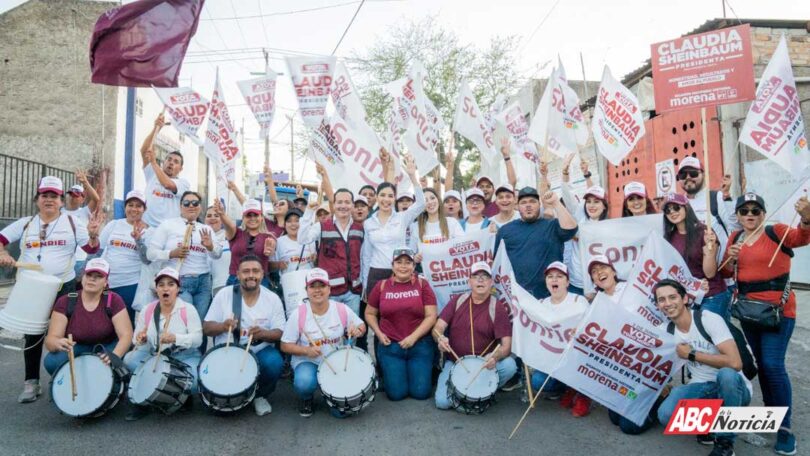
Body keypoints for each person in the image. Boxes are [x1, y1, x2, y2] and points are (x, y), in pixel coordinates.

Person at [720, 192, 810, 455]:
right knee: (763, 366)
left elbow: (803, 236)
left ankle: (785, 428)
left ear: (763, 213)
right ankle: (774, 412)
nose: (750, 214)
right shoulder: (735, 238)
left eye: (755, 210)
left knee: (773, 364)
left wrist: (806, 214)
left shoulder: (776, 232)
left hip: (778, 313)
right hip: (749, 312)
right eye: (744, 211)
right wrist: (731, 258)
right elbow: (726, 271)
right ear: (737, 215)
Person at [0, 176, 102, 403]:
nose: (49, 200)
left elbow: (91, 248)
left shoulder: (72, 223)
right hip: (32, 288)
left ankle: (65, 379)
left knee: (68, 335)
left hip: (62, 287)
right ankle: (31, 383)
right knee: (33, 335)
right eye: (45, 195)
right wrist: (3, 253)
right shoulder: (26, 223)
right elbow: (1, 239)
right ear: (37, 199)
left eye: (54, 196)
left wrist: (94, 234)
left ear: (61, 201)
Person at [654, 279, 751, 456]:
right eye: (661, 300)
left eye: (672, 297)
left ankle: (725, 444)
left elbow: (735, 363)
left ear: (684, 299)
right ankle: (711, 424)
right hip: (703, 387)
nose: (667, 303)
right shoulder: (665, 330)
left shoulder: (708, 319)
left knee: (726, 375)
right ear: (658, 305)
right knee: (666, 415)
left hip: (734, 388)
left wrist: (692, 355)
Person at [203, 255, 286, 416]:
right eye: (246, 271)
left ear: (262, 274)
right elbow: (206, 328)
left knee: (274, 361)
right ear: (238, 274)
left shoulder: (272, 298)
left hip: (259, 350)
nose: (251, 275)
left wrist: (264, 334)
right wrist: (222, 326)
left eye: (255, 271)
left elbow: (280, 332)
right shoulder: (224, 295)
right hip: (228, 351)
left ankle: (260, 396)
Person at [280, 268, 365, 417]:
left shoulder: (341, 309)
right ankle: (307, 398)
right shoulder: (298, 314)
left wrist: (358, 330)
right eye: (313, 286)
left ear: (329, 289)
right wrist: (306, 351)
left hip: (336, 363)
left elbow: (361, 325)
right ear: (306, 290)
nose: (317, 290)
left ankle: (330, 394)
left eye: (322, 286)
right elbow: (285, 345)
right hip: (309, 362)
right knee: (304, 382)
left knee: (342, 414)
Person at [432, 262, 516, 410]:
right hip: (456, 363)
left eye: (485, 277)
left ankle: (482, 392)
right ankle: (473, 397)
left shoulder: (497, 307)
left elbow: (506, 346)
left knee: (510, 366)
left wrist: (495, 357)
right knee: (442, 402)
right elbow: (437, 328)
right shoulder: (458, 300)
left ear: (491, 282)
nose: (480, 280)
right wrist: (440, 338)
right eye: (476, 276)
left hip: (483, 364)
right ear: (469, 281)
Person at [124, 267, 203, 421]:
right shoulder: (147, 310)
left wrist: (176, 338)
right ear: (156, 289)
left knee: (193, 381)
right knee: (129, 360)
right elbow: (136, 339)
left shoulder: (188, 309)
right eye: (161, 285)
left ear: (178, 289)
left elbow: (198, 339)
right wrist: (141, 339)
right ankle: (142, 399)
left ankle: (182, 395)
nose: (166, 288)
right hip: (156, 354)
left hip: (184, 355)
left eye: (171, 284)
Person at [147, 191, 223, 349]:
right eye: (186, 203)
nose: (191, 206)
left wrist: (209, 246)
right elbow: (151, 253)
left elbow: (217, 254)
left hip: (203, 282)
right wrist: (171, 253)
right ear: (180, 206)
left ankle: (197, 362)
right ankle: (180, 359)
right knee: (184, 322)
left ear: (200, 207)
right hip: (180, 281)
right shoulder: (168, 225)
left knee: (199, 326)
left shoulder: (205, 229)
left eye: (195, 203)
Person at [366, 247, 438, 401]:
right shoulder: (381, 286)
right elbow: (369, 313)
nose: (403, 266)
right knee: (396, 394)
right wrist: (379, 333)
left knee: (421, 393)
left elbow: (431, 315)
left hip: (419, 345)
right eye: (399, 262)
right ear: (392, 265)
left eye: (408, 262)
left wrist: (413, 337)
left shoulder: (422, 284)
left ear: (414, 266)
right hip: (391, 347)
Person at [43, 258, 133, 375]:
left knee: (120, 358)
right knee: (52, 361)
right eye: (89, 274)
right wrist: (57, 343)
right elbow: (51, 339)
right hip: (77, 346)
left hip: (107, 345)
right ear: (82, 277)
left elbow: (126, 334)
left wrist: (115, 355)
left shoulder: (113, 299)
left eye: (99, 276)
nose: (92, 279)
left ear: (106, 282)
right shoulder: (66, 301)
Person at [528, 262, 591, 417]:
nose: (554, 280)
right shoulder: (541, 304)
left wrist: (581, 331)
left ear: (567, 282)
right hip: (552, 359)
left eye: (559, 276)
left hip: (576, 359)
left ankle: (583, 393)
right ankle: (567, 387)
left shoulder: (579, 301)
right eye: (550, 277)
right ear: (546, 282)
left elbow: (591, 331)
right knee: (537, 381)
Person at [494, 187, 577, 299]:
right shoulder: (505, 231)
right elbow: (498, 263)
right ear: (517, 206)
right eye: (523, 202)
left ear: (539, 205)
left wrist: (556, 203)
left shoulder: (552, 225)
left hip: (551, 296)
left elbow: (571, 229)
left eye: (533, 201)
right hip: (519, 298)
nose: (528, 205)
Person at [360, 155, 424, 299]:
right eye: (382, 195)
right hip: (375, 274)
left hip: (400, 273)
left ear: (394, 198)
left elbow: (421, 204)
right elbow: (367, 255)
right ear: (377, 198)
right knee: (376, 316)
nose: (386, 199)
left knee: (399, 314)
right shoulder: (369, 223)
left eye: (390, 196)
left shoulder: (402, 218)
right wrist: (365, 283)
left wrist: (413, 176)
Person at [298, 189, 365, 318]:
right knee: (332, 331)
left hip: (354, 292)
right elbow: (302, 239)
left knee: (352, 333)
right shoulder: (321, 226)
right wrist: (308, 212)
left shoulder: (360, 228)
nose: (343, 206)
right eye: (339, 202)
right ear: (334, 205)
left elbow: (362, 258)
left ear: (352, 205)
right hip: (331, 292)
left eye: (347, 202)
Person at [662, 193, 727, 319]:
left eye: (676, 207)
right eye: (667, 210)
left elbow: (710, 273)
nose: (672, 212)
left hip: (711, 294)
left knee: (711, 335)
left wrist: (710, 250)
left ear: (686, 208)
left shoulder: (705, 232)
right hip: (687, 297)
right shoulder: (668, 238)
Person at [99, 189, 151, 324]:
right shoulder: (113, 225)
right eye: (131, 205)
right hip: (105, 283)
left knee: (125, 323)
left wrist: (139, 241)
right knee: (103, 321)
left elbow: (147, 259)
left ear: (144, 209)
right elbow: (98, 251)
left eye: (138, 206)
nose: (134, 209)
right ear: (125, 207)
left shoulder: (149, 231)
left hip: (130, 284)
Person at [139, 113, 191, 227]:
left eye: (176, 162)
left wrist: (153, 162)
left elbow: (167, 184)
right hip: (147, 228)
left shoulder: (183, 184)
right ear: (164, 162)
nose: (171, 163)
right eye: (169, 159)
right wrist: (156, 128)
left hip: (169, 232)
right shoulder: (152, 173)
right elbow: (144, 151)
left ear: (181, 169)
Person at [677, 157, 739, 251]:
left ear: (703, 174)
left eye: (693, 173)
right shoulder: (678, 204)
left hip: (720, 264)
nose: (688, 177)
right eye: (683, 175)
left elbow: (735, 226)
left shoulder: (717, 197)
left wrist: (726, 196)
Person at [217, 199, 276, 288]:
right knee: (234, 302)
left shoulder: (268, 237)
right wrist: (221, 214)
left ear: (261, 217)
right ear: (243, 218)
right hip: (236, 280)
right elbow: (230, 226)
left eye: (256, 215)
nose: (252, 218)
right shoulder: (236, 233)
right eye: (248, 215)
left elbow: (271, 250)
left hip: (259, 281)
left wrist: (270, 251)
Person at [64, 170, 101, 277]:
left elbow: (96, 199)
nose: (72, 198)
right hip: (63, 259)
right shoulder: (59, 213)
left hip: (80, 258)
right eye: (70, 194)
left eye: (76, 195)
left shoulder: (84, 211)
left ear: (82, 199)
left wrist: (85, 182)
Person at [412, 187, 464, 251]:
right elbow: (411, 253)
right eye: (425, 200)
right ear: (422, 207)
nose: (430, 202)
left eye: (432, 198)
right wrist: (415, 257)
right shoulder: (416, 227)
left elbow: (463, 247)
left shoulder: (452, 222)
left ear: (438, 200)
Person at [272, 208, 317, 275]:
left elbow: (317, 264)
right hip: (288, 282)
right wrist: (278, 265)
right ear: (285, 224)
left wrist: (316, 259)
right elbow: (270, 266)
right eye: (289, 221)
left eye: (297, 221)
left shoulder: (311, 240)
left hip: (309, 283)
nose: (293, 224)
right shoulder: (278, 242)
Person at [204, 202, 230, 297]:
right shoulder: (196, 238)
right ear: (204, 219)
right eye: (209, 215)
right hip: (203, 289)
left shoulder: (229, 237)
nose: (212, 218)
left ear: (222, 220)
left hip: (223, 285)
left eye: (216, 215)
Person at [262, 165, 288, 239]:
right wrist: (234, 188)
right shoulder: (267, 224)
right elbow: (248, 205)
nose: (277, 205)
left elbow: (274, 200)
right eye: (276, 205)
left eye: (282, 204)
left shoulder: (291, 228)